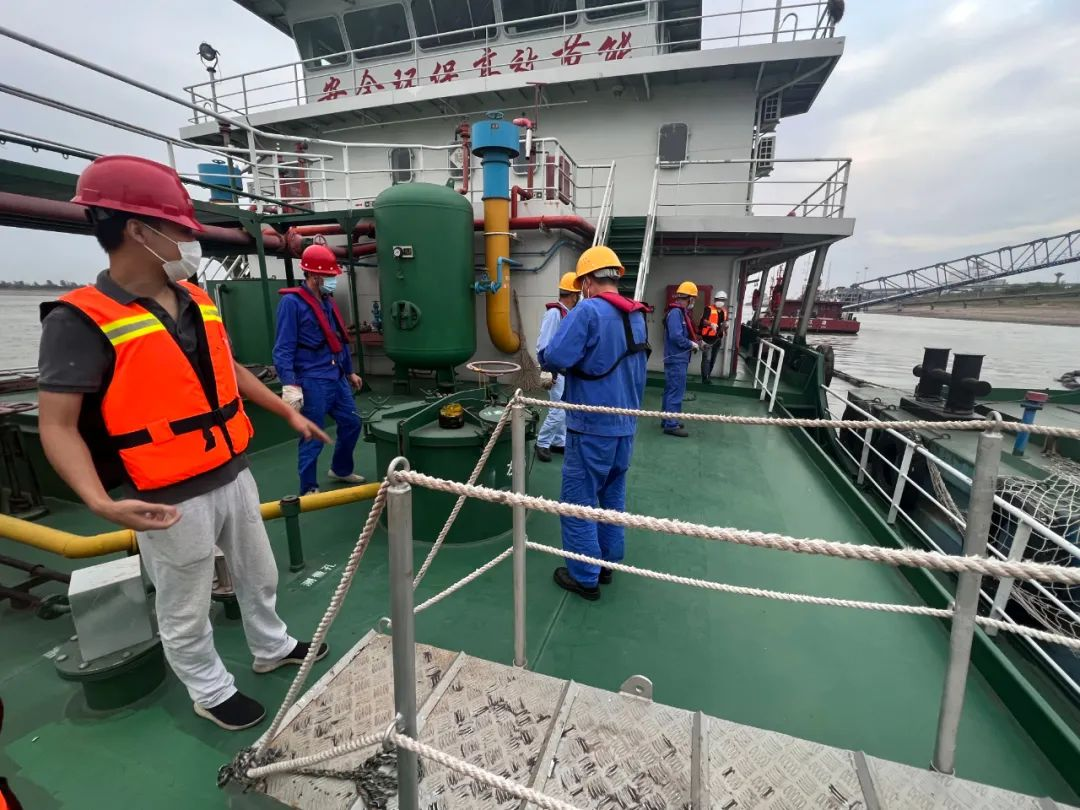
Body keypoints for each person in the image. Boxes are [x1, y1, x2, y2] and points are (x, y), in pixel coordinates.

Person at [37, 155, 332, 732]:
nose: (190, 240)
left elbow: (228, 370)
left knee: (258, 573)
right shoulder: (78, 320)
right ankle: (209, 688)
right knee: (185, 601)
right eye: (179, 228)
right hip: (168, 492)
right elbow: (58, 425)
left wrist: (283, 409)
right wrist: (99, 501)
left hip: (232, 468)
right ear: (137, 230)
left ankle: (271, 646)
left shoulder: (196, 297)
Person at [538, 246, 650, 600]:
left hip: (590, 427)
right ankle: (607, 564)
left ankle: (585, 576)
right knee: (612, 498)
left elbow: (555, 356)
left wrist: (545, 358)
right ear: (615, 276)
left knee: (578, 502)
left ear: (587, 281)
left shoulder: (587, 311)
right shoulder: (636, 314)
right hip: (625, 427)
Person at [272, 244, 364, 495]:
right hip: (312, 379)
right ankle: (309, 487)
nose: (333, 280)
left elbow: (337, 340)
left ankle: (341, 469)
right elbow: (283, 348)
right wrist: (290, 384)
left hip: (335, 375)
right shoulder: (291, 304)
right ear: (314, 276)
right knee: (312, 433)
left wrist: (349, 371)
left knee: (352, 423)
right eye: (330, 276)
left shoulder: (327, 301)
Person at [534, 272, 580, 462]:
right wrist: (548, 370)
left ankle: (559, 442)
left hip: (562, 370)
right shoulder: (555, 313)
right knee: (559, 409)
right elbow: (543, 344)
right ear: (573, 295)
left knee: (563, 408)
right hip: (555, 370)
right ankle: (542, 443)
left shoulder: (564, 313)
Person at [662, 281, 700, 437]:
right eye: (693, 299)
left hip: (677, 358)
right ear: (689, 298)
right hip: (676, 359)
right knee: (676, 391)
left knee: (671, 390)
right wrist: (690, 344)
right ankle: (671, 424)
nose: (693, 302)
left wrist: (695, 342)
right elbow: (676, 336)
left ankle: (667, 419)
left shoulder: (679, 313)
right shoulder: (676, 313)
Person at [698, 290, 729, 384]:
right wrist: (711, 324)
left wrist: (726, 327)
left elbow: (724, 322)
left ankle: (708, 375)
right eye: (718, 299)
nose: (720, 301)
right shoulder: (708, 309)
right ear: (715, 299)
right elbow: (703, 321)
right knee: (706, 359)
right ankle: (705, 379)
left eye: (722, 300)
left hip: (718, 339)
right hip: (707, 338)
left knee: (713, 359)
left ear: (724, 301)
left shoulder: (724, 311)